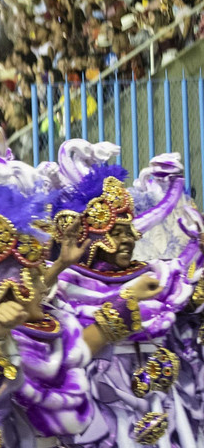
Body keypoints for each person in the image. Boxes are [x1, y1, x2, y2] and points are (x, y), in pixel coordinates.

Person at [50, 141, 204, 447]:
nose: (128, 241)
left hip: (167, 397)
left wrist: (192, 298)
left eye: (129, 233)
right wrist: (126, 302)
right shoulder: (69, 283)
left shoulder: (157, 273)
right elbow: (68, 353)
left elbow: (185, 302)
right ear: (91, 238)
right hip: (106, 398)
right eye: (116, 234)